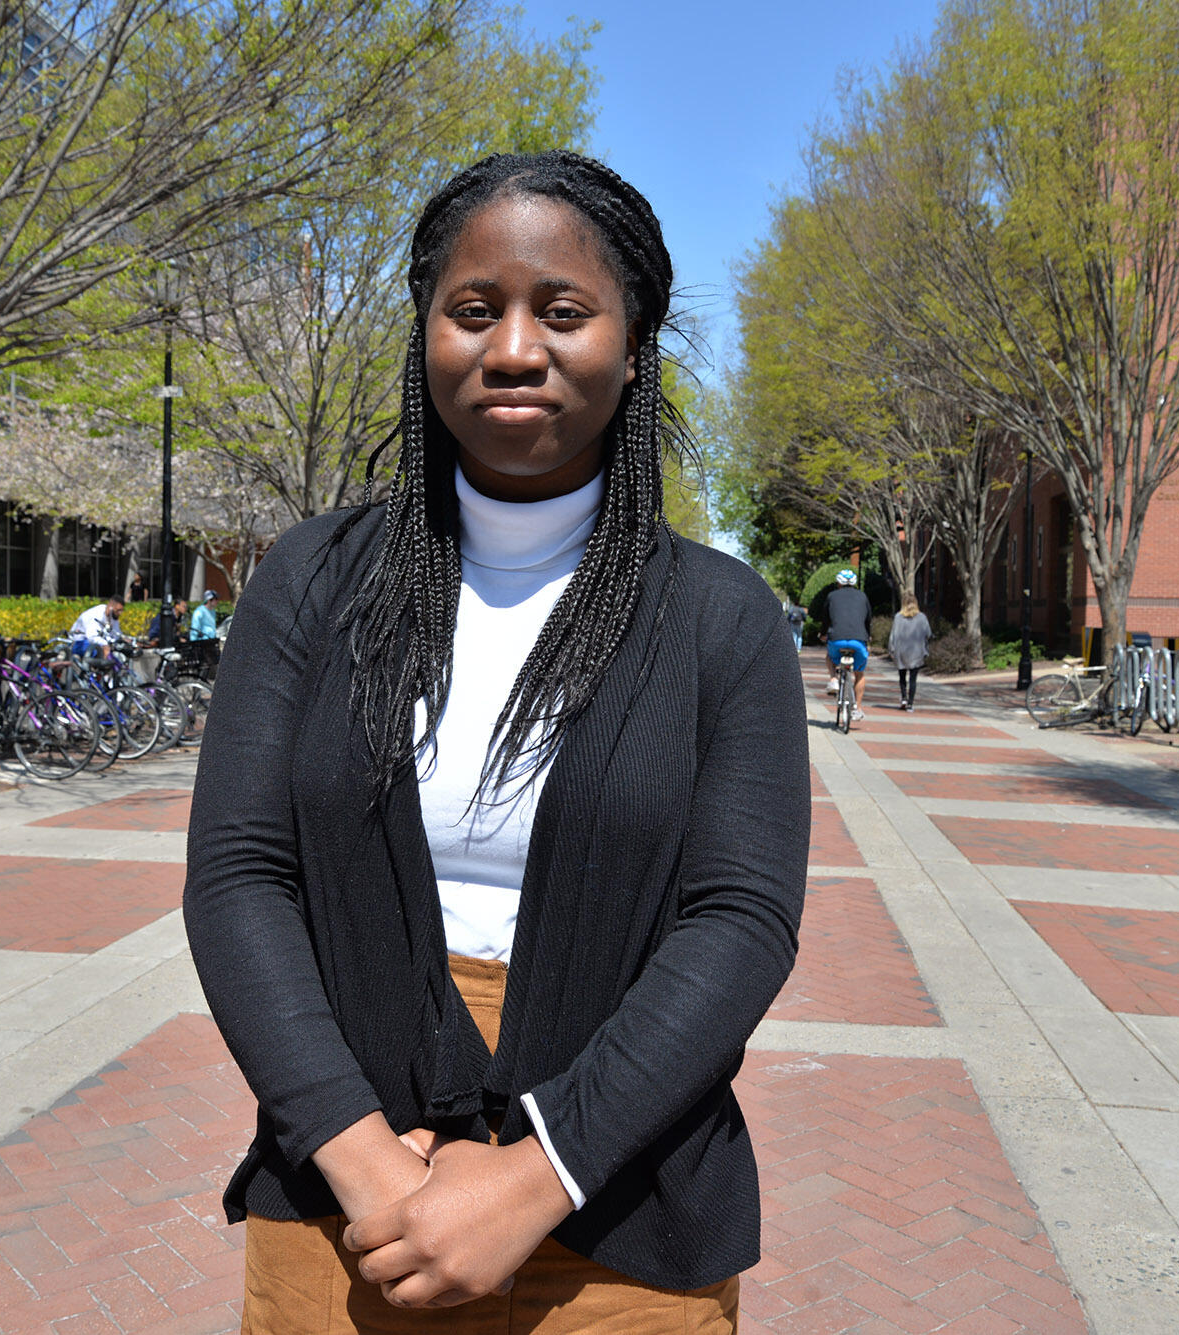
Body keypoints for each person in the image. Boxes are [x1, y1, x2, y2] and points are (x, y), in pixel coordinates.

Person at [185, 151, 806, 1331]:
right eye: (473, 310)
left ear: (633, 343)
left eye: (562, 312)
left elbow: (737, 922)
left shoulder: (719, 620)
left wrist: (538, 1175)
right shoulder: (310, 584)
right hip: (344, 1203)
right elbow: (239, 879)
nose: (513, 348)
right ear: (426, 335)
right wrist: (364, 1162)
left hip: (620, 1211)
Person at [821, 568, 871, 709]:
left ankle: (833, 679)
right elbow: (868, 619)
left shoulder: (831, 596)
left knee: (829, 658)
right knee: (859, 674)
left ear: (839, 583)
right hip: (859, 640)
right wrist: (868, 636)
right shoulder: (863, 596)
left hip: (837, 639)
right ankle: (858, 709)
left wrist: (823, 633)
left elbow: (825, 618)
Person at [888, 596, 931, 710]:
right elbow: (928, 633)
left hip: (901, 651)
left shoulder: (898, 617)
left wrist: (891, 649)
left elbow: (893, 634)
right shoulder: (922, 617)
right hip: (916, 651)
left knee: (902, 676)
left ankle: (903, 697)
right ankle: (910, 703)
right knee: (913, 678)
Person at [69, 595, 125, 663]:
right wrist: (105, 644)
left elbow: (116, 634)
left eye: (122, 610)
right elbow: (92, 636)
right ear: (110, 606)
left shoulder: (113, 617)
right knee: (100, 651)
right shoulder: (97, 614)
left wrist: (127, 640)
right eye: (118, 610)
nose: (120, 613)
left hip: (92, 642)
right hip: (79, 642)